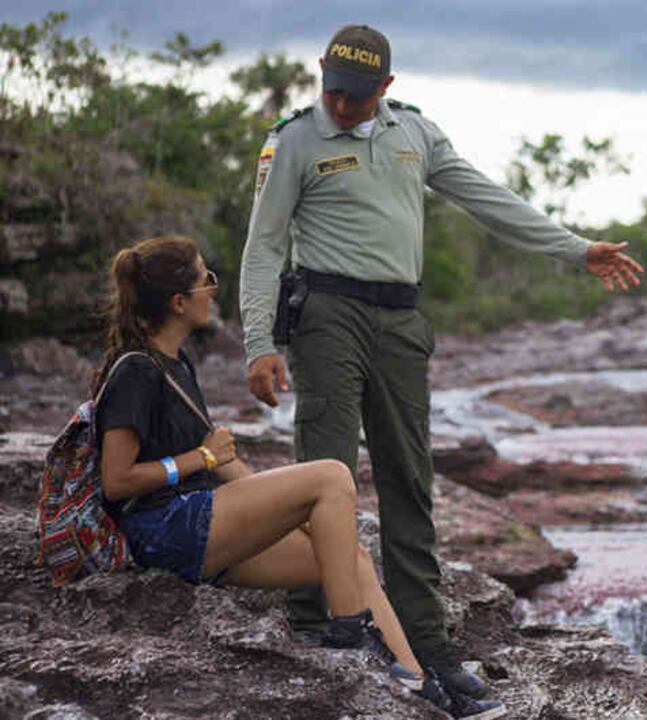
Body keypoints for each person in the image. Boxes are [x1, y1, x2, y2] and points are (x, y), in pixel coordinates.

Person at [238, 23, 644, 710]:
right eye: (334, 91)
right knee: (325, 472)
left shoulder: (417, 135)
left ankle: (428, 644)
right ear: (321, 75)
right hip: (327, 314)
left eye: (358, 97)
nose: (342, 106)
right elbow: (264, 245)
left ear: (387, 89)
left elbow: (489, 199)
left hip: (400, 320)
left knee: (409, 479)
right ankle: (317, 624)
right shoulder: (295, 138)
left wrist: (575, 249)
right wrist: (259, 343)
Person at [95, 235, 504, 720]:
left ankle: (415, 683)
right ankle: (350, 633)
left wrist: (288, 512)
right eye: (206, 279)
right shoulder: (134, 372)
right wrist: (195, 460)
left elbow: (226, 466)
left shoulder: (177, 365)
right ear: (178, 302)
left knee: (347, 555)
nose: (214, 289)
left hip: (202, 527)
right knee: (332, 475)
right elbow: (116, 482)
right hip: (162, 531)